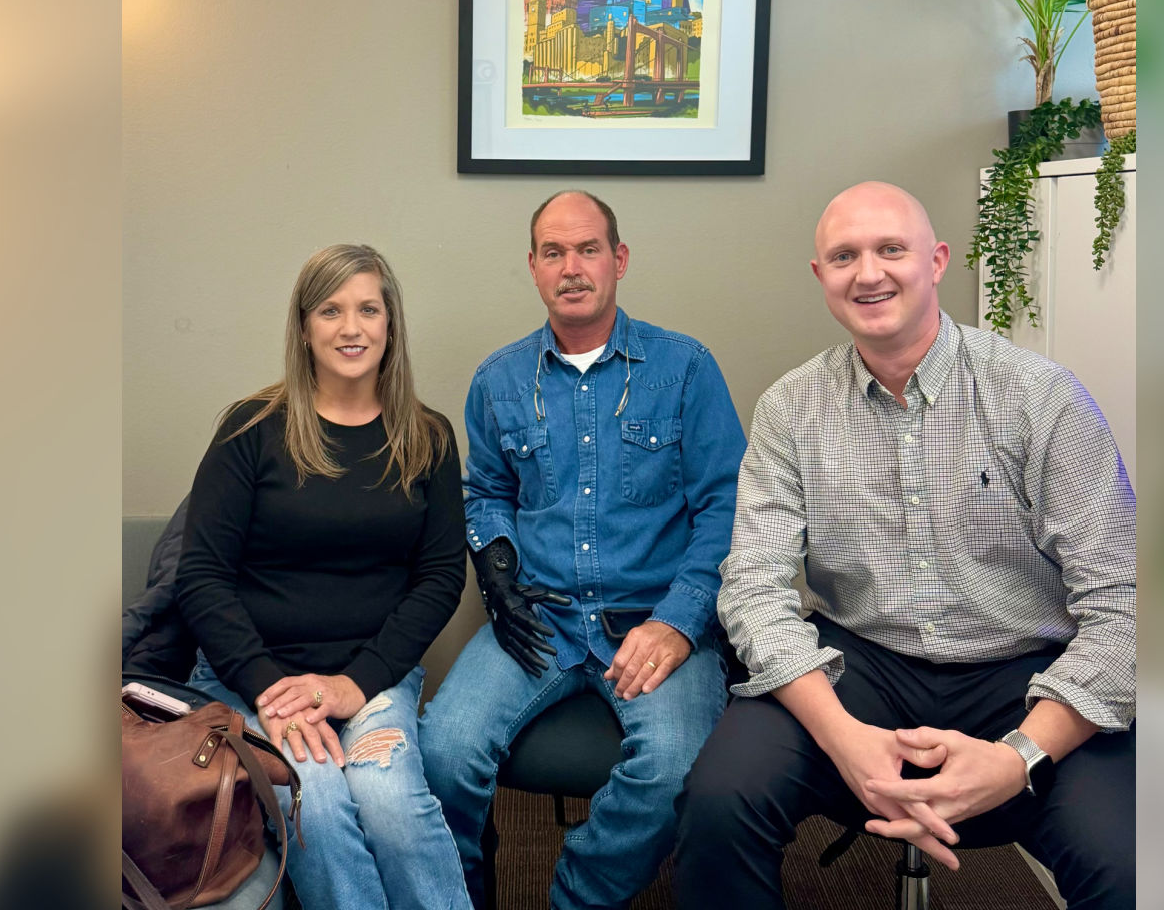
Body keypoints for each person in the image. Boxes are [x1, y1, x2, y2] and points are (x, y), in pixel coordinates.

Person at [675, 182, 1136, 909]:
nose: (869, 273)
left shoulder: (1042, 397)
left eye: (891, 249)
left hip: (1024, 673)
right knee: (717, 804)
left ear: (937, 260)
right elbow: (753, 587)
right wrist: (843, 738)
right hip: (858, 666)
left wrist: (1017, 757)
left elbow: (1124, 603)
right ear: (820, 275)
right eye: (844, 256)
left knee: (1129, 863)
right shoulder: (791, 407)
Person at [420, 191, 747, 910]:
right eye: (554, 252)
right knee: (442, 752)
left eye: (588, 249)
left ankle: (577, 897)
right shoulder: (499, 379)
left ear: (618, 260)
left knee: (673, 769)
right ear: (533, 267)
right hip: (540, 621)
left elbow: (728, 508)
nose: (571, 267)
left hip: (652, 620)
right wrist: (498, 572)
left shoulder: (685, 367)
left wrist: (679, 621)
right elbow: (486, 492)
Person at [175, 244, 469, 910]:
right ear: (304, 327)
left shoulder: (429, 437)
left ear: (391, 324)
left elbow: (440, 578)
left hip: (370, 677)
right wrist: (269, 689)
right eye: (331, 311)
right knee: (321, 805)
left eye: (368, 309)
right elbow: (202, 576)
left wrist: (351, 685)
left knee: (392, 804)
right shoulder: (251, 429)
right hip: (252, 678)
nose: (351, 328)